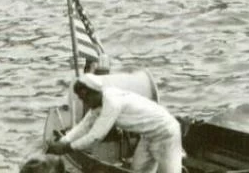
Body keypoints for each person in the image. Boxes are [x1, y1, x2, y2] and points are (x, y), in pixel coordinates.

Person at [46, 74, 183, 173]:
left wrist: (68, 148)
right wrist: (64, 140)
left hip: (165, 133)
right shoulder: (99, 101)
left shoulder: (112, 102)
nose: (84, 103)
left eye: (84, 99)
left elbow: (95, 136)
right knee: (138, 169)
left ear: (91, 93)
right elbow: (84, 125)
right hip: (148, 135)